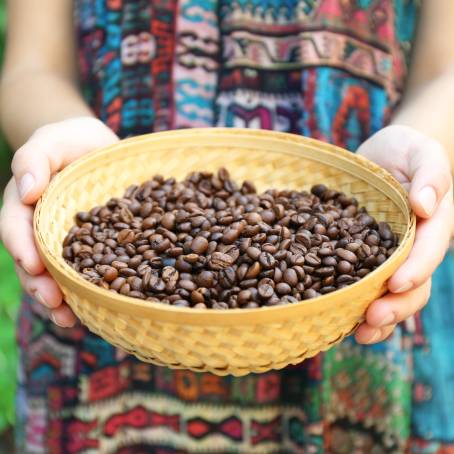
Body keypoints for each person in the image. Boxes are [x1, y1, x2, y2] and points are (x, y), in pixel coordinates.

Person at [0, 0, 453, 452]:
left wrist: (424, 147)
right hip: (99, 333)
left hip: (354, 320)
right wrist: (59, 147)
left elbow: (444, 69)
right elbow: (32, 68)